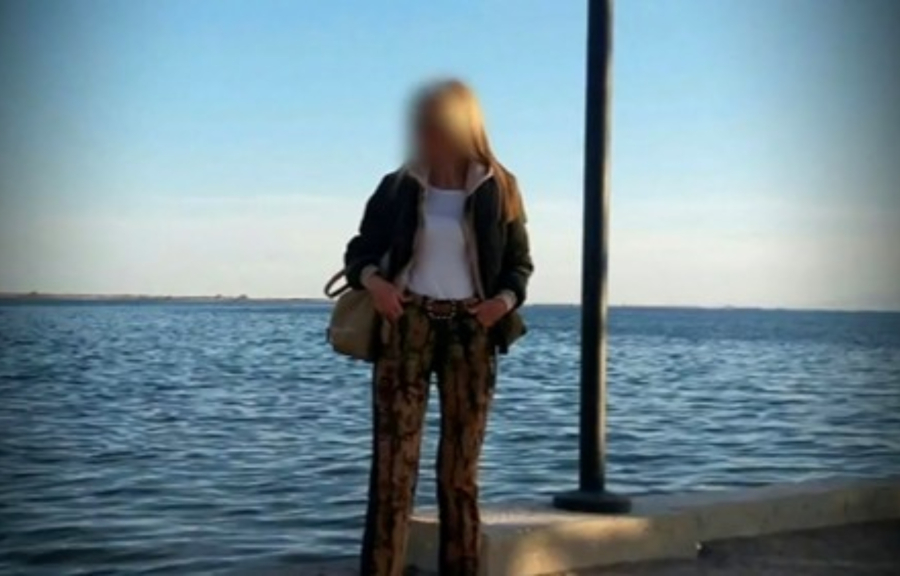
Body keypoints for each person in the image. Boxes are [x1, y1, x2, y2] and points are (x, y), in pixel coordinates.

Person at [344, 78, 534, 576]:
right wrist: (377, 285)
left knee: (460, 472)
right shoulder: (399, 184)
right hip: (405, 325)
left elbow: (519, 265)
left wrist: (500, 304)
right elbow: (359, 251)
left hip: (472, 331)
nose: (428, 130)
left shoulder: (499, 186)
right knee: (393, 469)